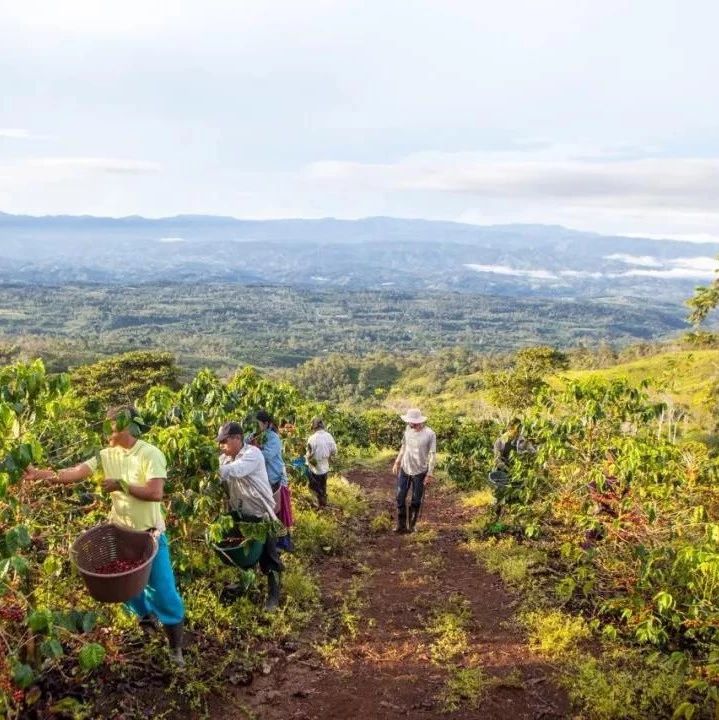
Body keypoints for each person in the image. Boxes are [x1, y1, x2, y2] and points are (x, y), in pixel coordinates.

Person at [22, 406, 186, 665]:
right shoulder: (105, 455)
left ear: (126, 426)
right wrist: (40, 475)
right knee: (129, 591)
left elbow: (155, 493)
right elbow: (75, 473)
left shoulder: (149, 453)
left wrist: (121, 484)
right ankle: (147, 627)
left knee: (164, 592)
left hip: (149, 536)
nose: (106, 427)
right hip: (120, 534)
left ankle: (175, 647)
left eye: (111, 423)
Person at [217, 421, 284, 611]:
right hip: (243, 514)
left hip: (261, 514)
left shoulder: (252, 454)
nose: (221, 446)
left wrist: (208, 468)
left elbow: (235, 471)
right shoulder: (225, 459)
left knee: (270, 558)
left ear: (237, 439)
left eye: (224, 442)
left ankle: (273, 597)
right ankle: (245, 586)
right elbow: (222, 475)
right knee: (246, 554)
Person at [392, 408, 436, 533]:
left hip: (420, 471)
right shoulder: (407, 430)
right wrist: (397, 461)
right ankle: (401, 526)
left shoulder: (430, 434)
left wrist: (430, 473)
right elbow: (404, 447)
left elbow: (432, 454)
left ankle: (412, 526)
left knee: (416, 500)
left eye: (411, 422)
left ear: (417, 421)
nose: (409, 424)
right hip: (405, 468)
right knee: (400, 497)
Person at [255, 410, 294, 551]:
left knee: (279, 511)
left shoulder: (273, 437)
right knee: (272, 511)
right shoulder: (261, 435)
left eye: (259, 423)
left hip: (276, 478)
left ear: (266, 423)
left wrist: (255, 450)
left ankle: (284, 543)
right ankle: (276, 542)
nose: (258, 426)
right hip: (268, 480)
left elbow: (267, 455)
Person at [305, 417, 337, 508]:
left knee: (314, 486)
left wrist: (308, 458)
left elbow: (309, 454)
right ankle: (323, 502)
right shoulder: (329, 436)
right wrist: (329, 456)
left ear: (314, 427)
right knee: (323, 485)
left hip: (315, 466)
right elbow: (334, 450)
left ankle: (317, 504)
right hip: (325, 465)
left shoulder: (312, 438)